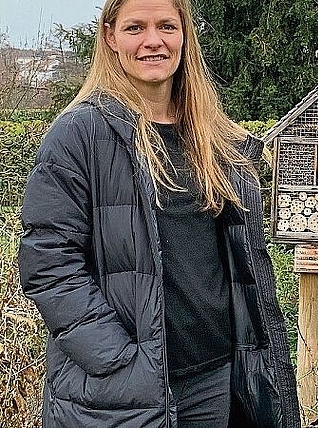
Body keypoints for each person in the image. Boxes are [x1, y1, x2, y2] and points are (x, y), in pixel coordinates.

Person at [18, 0, 300, 426]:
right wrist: (119, 362)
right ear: (111, 36)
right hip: (122, 392)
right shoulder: (78, 135)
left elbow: (244, 267)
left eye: (166, 25)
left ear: (185, 33)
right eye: (135, 28)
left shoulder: (216, 138)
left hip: (215, 380)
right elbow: (49, 265)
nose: (153, 41)